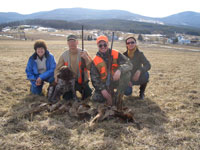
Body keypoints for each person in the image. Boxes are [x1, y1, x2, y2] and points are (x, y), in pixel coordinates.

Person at [90, 35, 132, 107]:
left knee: (128, 88)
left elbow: (129, 64)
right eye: (100, 45)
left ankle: (118, 96)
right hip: (104, 84)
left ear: (108, 44)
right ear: (98, 46)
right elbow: (94, 79)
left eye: (105, 44)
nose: (103, 47)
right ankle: (110, 94)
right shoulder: (95, 60)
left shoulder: (116, 53)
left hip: (116, 81)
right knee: (95, 98)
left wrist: (120, 70)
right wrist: (103, 90)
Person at [54, 34, 92, 100]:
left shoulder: (84, 52)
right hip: (69, 82)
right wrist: (56, 76)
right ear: (67, 43)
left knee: (88, 96)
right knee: (67, 98)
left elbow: (90, 68)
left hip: (82, 82)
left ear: (77, 42)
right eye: (70, 42)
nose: (72, 44)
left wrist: (86, 58)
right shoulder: (64, 55)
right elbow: (57, 69)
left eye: (73, 41)